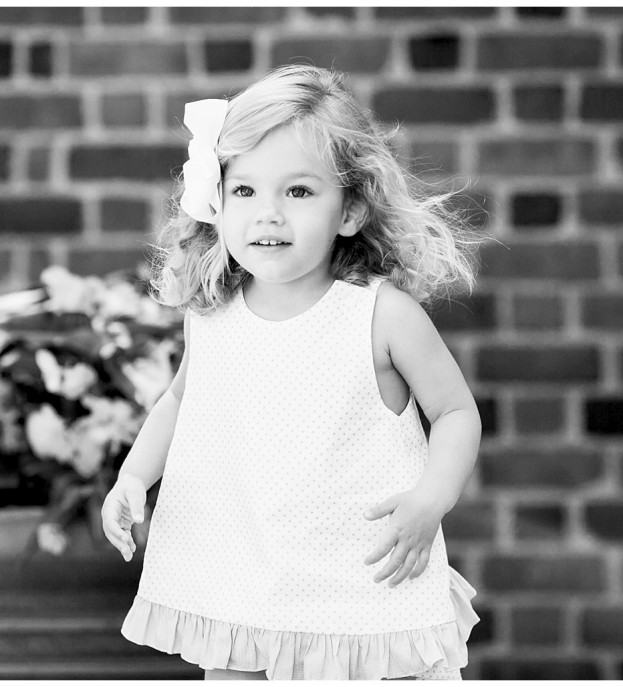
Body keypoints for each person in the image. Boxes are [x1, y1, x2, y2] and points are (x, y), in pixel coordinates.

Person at [101, 64, 483, 680]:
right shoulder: (214, 313)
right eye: (245, 191)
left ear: (350, 210)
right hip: (243, 579)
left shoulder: (380, 315)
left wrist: (432, 498)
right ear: (215, 202)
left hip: (359, 590)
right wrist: (134, 476)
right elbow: (180, 401)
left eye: (298, 192)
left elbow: (455, 412)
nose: (268, 215)